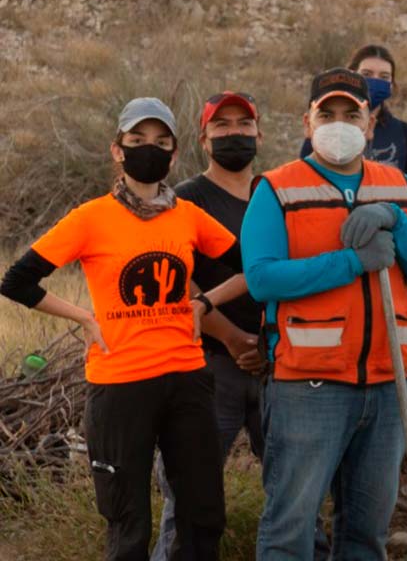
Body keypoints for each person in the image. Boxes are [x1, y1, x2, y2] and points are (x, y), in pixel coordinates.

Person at [1, 97, 251, 561]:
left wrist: (205, 302)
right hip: (119, 384)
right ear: (117, 150)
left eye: (160, 143)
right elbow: (16, 280)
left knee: (203, 515)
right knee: (127, 520)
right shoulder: (91, 217)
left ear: (174, 155)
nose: (148, 150)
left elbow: (252, 267)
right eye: (137, 141)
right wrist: (83, 317)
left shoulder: (188, 216)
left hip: (187, 379)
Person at [243, 70, 407, 561]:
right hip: (307, 387)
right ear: (307, 122)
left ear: (371, 123)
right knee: (289, 531)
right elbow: (263, 279)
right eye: (327, 114)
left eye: (351, 114)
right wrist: (353, 263)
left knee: (365, 537)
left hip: (385, 386)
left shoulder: (398, 186)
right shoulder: (277, 188)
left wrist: (395, 221)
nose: (340, 123)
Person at [152, 92, 267, 561]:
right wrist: (231, 337)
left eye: (244, 124)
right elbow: (176, 279)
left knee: (292, 485)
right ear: (203, 140)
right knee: (190, 489)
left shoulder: (275, 192)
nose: (234, 133)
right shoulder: (184, 199)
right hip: (207, 365)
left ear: (260, 134)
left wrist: (267, 341)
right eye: (222, 126)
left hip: (277, 363)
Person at [299, 44, 407, 174]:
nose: (375, 81)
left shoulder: (405, 134)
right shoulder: (327, 130)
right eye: (367, 74)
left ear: (392, 84)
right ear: (352, 74)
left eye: (384, 77)